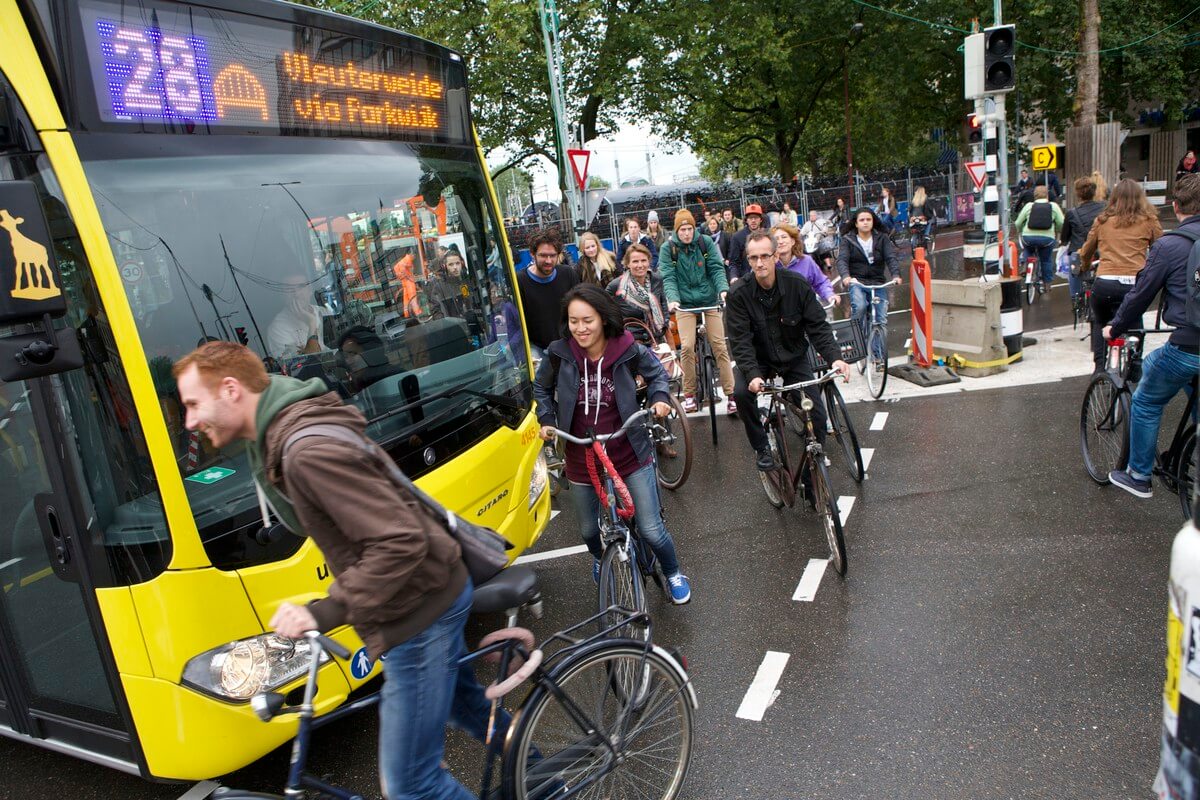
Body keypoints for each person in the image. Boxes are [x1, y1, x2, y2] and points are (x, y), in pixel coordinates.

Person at [173, 342, 498, 800]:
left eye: (192, 404)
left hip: (419, 609)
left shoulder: (303, 451)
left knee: (412, 785)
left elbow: (399, 541)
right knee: (465, 705)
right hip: (431, 588)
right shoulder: (283, 427)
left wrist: (323, 612)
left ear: (230, 390)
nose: (188, 421)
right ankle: (544, 781)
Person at [532, 285, 692, 603]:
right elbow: (540, 388)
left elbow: (658, 375)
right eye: (574, 321)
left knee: (650, 528)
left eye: (587, 320)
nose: (580, 328)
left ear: (603, 319)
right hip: (580, 457)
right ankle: (599, 557)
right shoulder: (559, 353)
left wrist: (660, 399)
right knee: (590, 532)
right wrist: (547, 419)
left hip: (628, 451)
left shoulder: (626, 348)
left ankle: (673, 571)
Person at [1103, 174, 1200, 498]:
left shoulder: (1170, 246)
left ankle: (1139, 475)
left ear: (1175, 206)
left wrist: (1114, 327)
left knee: (1146, 398)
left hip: (1189, 344)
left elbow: (1140, 296)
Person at [726, 231, 850, 471]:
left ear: (775, 256)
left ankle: (812, 471)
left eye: (764, 256)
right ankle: (761, 446)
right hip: (757, 360)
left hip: (793, 355)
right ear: (748, 260)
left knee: (816, 414)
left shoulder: (796, 284)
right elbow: (740, 341)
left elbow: (817, 326)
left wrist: (836, 358)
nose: (759, 263)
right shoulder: (738, 295)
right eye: (753, 258)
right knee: (741, 394)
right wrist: (752, 375)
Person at [1079, 178, 1164, 370]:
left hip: (1105, 283)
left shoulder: (1102, 220)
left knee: (1099, 320)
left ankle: (1099, 368)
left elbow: (1087, 251)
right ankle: (1134, 365)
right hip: (1134, 285)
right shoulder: (1149, 221)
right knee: (1135, 321)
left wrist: (1084, 266)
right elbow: (1162, 249)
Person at [659, 209, 736, 415]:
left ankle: (731, 395)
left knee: (720, 345)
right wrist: (673, 299)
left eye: (689, 228)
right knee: (686, 347)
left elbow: (716, 268)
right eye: (682, 229)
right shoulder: (669, 249)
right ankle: (690, 395)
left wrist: (722, 290)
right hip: (684, 304)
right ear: (677, 231)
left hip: (709, 300)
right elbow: (668, 277)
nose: (686, 233)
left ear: (694, 228)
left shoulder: (705, 243)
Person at [836, 208, 902, 365]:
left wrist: (896, 275)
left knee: (880, 319)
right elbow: (842, 260)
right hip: (857, 282)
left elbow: (891, 258)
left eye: (868, 219)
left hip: (878, 282)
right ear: (856, 223)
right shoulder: (848, 240)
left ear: (873, 222)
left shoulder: (882, 238)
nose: (865, 222)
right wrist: (846, 277)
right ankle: (856, 340)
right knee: (859, 306)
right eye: (862, 220)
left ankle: (878, 357)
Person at [516, 227, 580, 358]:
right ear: (532, 254)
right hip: (537, 350)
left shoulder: (568, 274)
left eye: (553, 255)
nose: (549, 261)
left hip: (569, 346)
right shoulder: (520, 280)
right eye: (543, 255)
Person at [608, 243, 668, 345]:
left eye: (643, 260)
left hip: (657, 339)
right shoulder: (616, 286)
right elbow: (607, 313)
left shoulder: (656, 279)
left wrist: (665, 323)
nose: (640, 265)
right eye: (635, 261)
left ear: (649, 262)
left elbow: (663, 304)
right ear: (627, 264)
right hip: (631, 342)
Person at [1060, 175, 1106, 299]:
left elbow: (1065, 237)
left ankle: (1076, 299)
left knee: (1074, 273)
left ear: (1078, 194)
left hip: (1078, 251)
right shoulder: (1105, 208)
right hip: (1100, 251)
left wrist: (1063, 242)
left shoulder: (1071, 213)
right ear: (1094, 191)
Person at [772, 223, 837, 307]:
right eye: (776, 239)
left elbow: (820, 282)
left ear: (792, 241)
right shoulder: (769, 264)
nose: (780, 241)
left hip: (806, 309)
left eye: (784, 237)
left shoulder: (806, 261)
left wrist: (830, 295)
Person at [1014, 185, 1064, 294]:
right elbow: (1061, 223)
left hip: (1028, 238)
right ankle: (1047, 284)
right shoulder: (1053, 206)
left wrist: (1021, 230)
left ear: (1034, 195)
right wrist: (1058, 231)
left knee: (1028, 249)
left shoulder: (1029, 206)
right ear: (1047, 195)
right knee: (1046, 260)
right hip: (1047, 239)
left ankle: (1025, 265)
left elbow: (1018, 222)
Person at [268, 275, 328, 358]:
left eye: (301, 287)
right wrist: (311, 323)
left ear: (310, 290)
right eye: (290, 289)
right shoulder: (278, 328)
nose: (297, 294)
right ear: (283, 296)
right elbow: (309, 363)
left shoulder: (324, 312)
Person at [728, 203, 766, 282]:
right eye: (750, 218)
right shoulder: (737, 237)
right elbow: (734, 262)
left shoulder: (767, 235)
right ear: (746, 220)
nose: (753, 220)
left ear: (761, 219)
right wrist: (734, 276)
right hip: (747, 279)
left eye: (756, 217)